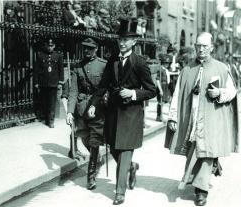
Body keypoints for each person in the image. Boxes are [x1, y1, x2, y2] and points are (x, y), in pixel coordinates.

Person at [165, 32, 239, 206]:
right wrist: (173, 116)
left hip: (212, 118)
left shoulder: (221, 68)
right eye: (198, 46)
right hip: (191, 119)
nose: (201, 49)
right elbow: (177, 94)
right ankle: (199, 177)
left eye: (205, 46)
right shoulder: (186, 70)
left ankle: (201, 190)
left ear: (211, 47)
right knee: (193, 151)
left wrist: (219, 93)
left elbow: (232, 91)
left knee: (206, 151)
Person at [88, 18, 156, 205]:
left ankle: (119, 192)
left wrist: (133, 93)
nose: (122, 42)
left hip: (132, 114)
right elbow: (103, 85)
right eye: (120, 39)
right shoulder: (113, 60)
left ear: (134, 41)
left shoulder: (140, 62)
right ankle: (132, 167)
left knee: (125, 150)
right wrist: (94, 103)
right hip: (113, 113)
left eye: (126, 39)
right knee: (115, 149)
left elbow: (152, 90)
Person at [66, 38, 107, 190]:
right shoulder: (78, 66)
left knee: (94, 141)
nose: (87, 51)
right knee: (84, 139)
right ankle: (98, 159)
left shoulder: (103, 65)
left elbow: (106, 87)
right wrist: (70, 112)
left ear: (96, 49)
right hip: (82, 108)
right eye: (85, 48)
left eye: (90, 48)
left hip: (97, 109)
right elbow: (73, 91)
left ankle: (91, 176)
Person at [34, 38, 64, 128]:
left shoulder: (58, 56)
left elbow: (61, 70)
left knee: (52, 102)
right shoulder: (40, 56)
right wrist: (36, 82)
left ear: (54, 46)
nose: (50, 47)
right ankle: (46, 118)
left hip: (53, 83)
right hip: (43, 83)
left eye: (51, 46)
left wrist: (60, 82)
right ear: (45, 46)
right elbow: (36, 70)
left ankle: (51, 121)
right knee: (44, 101)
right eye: (48, 46)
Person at [156, 54, 172, 121]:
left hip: (166, 87)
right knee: (160, 102)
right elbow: (157, 80)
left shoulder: (166, 70)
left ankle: (162, 116)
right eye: (166, 63)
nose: (167, 65)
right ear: (163, 63)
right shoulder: (160, 70)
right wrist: (160, 90)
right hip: (161, 87)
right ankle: (159, 117)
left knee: (166, 101)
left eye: (168, 63)